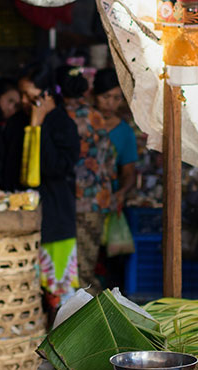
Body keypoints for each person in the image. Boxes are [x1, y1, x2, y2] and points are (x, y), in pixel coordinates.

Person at [0, 64, 80, 320]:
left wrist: (38, 126)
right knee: (22, 294)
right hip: (18, 220)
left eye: (31, 96)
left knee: (59, 298)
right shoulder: (15, 123)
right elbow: (3, 162)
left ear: (48, 95)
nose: (24, 102)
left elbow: (54, 168)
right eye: (22, 95)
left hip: (55, 220)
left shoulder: (63, 125)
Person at [57, 65, 117, 295]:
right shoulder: (96, 117)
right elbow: (110, 161)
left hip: (67, 203)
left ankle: (96, 316)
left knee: (71, 270)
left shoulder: (60, 118)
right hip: (95, 203)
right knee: (85, 267)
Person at [92, 68, 139, 289]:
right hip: (85, 205)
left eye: (116, 98)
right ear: (94, 95)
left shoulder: (125, 132)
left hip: (111, 205)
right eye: (105, 97)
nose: (111, 103)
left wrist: (121, 193)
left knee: (109, 263)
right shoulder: (85, 125)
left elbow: (129, 172)